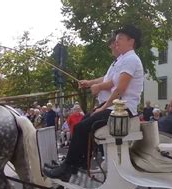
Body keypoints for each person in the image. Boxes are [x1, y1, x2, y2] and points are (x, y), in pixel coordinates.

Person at [44, 24, 144, 180]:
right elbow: (110, 82)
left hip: (122, 110)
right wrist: (91, 84)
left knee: (81, 127)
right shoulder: (123, 60)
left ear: (131, 41)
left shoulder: (131, 59)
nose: (116, 42)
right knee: (82, 124)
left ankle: (70, 169)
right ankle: (76, 166)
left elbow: (120, 89)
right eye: (116, 40)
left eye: (120, 39)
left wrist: (103, 106)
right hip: (117, 109)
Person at [78, 35, 119, 110]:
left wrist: (98, 87)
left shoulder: (125, 61)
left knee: (86, 121)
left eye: (112, 44)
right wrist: (89, 83)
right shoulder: (115, 62)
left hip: (112, 107)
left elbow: (115, 82)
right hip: (107, 105)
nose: (110, 47)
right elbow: (106, 78)